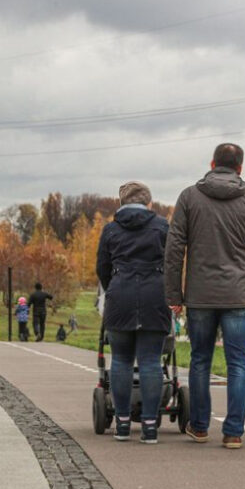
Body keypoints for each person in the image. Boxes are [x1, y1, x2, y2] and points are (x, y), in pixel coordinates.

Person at [165, 143, 245, 449]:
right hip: (238, 295)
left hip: (200, 295)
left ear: (212, 163)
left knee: (200, 359)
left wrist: (173, 294)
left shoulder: (189, 197)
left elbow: (174, 248)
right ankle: (233, 432)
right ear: (240, 168)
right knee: (238, 363)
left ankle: (200, 427)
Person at [97, 181, 170, 444]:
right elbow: (172, 263)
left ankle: (123, 423)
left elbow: (102, 267)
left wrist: (114, 287)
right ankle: (150, 425)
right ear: (149, 203)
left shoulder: (111, 230)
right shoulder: (162, 227)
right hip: (155, 295)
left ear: (122, 203)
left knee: (121, 360)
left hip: (120, 297)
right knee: (151, 360)